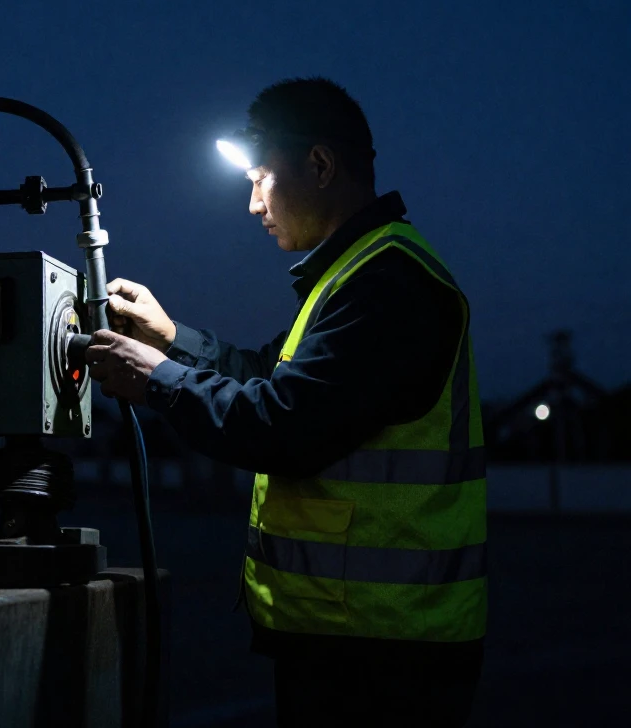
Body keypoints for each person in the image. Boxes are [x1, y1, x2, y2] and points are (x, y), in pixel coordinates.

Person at [86, 77, 486, 727]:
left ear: (320, 166)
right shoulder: (355, 275)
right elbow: (268, 377)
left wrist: (158, 378)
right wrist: (171, 338)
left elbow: (284, 424)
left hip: (384, 652)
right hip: (357, 635)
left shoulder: (390, 282)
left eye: (260, 179)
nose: (252, 205)